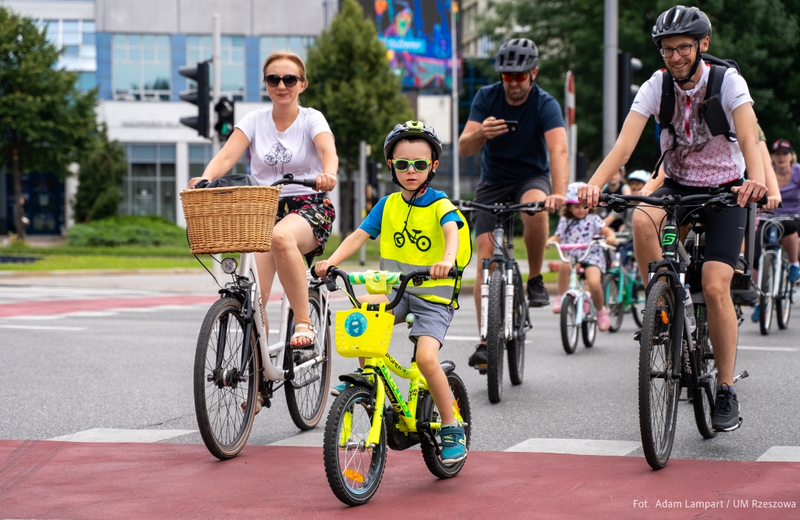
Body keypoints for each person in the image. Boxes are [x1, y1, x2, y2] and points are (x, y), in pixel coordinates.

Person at [579, 5, 767, 433]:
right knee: (644, 216)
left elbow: (750, 134)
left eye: (683, 47)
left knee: (718, 286)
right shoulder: (657, 85)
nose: (675, 56)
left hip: (725, 189)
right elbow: (624, 147)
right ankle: (662, 303)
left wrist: (755, 180)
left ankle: (724, 389)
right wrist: (592, 184)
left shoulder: (726, 81)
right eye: (667, 50)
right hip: (678, 185)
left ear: (703, 44)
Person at [314, 121, 470, 464]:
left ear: (433, 166)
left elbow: (452, 231)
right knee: (365, 312)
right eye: (402, 164)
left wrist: (446, 260)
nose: (410, 171)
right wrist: (332, 261)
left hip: (434, 296)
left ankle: (450, 425)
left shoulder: (439, 203)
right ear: (391, 167)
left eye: (418, 164)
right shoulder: (387, 204)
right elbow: (358, 236)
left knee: (427, 359)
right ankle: (370, 382)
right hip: (398, 291)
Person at [188, 51, 338, 352]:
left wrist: (328, 174)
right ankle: (259, 382)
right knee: (253, 297)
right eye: (274, 79)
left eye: (289, 79)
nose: (281, 85)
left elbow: (327, 150)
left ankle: (304, 322)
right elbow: (227, 155)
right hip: (262, 208)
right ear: (266, 84)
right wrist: (204, 179)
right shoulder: (254, 121)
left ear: (302, 84)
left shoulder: (312, 118)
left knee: (281, 237)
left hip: (309, 205)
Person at [458, 37, 568, 369]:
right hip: (493, 181)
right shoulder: (486, 97)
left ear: (533, 73)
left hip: (531, 177)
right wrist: (482, 134)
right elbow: (464, 147)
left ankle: (534, 278)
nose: (514, 83)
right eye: (508, 77)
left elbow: (558, 150)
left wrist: (558, 193)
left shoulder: (545, 104)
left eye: (520, 76)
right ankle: (484, 341)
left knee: (535, 209)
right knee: (485, 261)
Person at [548, 182, 616, 332]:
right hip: (573, 256)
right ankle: (561, 296)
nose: (580, 210)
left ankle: (600, 311)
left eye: (583, 206)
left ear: (589, 206)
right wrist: (550, 241)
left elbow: (607, 231)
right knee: (565, 266)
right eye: (576, 206)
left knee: (593, 283)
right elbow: (557, 236)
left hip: (592, 256)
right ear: (569, 207)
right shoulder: (566, 221)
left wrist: (610, 237)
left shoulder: (594, 219)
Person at [750, 139, 800, 320]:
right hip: (768, 216)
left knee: (788, 226)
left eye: (784, 154)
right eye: (777, 154)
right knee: (755, 252)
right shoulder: (766, 172)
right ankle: (760, 301)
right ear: (772, 157)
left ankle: (794, 264)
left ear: (791, 156)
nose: (781, 157)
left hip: (794, 217)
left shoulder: (798, 172)